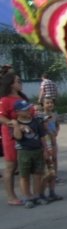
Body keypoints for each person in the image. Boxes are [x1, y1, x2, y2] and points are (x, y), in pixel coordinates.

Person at [11, 99, 49, 208]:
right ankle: (27, 197)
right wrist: (17, 126)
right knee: (24, 176)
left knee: (38, 174)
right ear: (18, 112)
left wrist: (45, 150)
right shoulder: (16, 123)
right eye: (25, 110)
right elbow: (17, 137)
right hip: (24, 152)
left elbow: (42, 137)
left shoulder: (35, 121)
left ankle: (37, 195)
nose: (28, 111)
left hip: (37, 151)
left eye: (29, 109)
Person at [0, 70, 30, 206]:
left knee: (23, 164)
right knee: (11, 166)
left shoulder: (22, 99)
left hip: (27, 135)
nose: (20, 83)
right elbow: (1, 117)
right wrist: (12, 123)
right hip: (11, 136)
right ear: (11, 84)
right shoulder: (5, 100)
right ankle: (11, 196)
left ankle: (28, 194)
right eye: (18, 81)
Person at [41, 96, 63, 201]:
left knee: (54, 158)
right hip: (46, 139)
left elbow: (58, 125)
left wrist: (57, 131)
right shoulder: (41, 116)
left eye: (51, 103)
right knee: (48, 159)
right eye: (47, 103)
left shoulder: (54, 115)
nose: (50, 105)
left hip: (53, 139)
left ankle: (55, 175)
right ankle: (47, 176)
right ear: (43, 105)